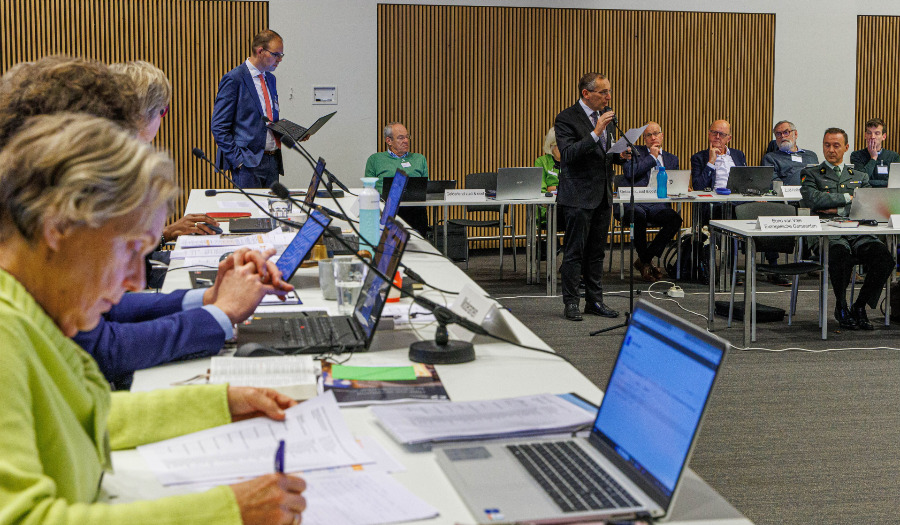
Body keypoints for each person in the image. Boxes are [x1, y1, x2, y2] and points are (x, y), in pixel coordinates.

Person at [0, 113, 306, 524]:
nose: (136, 280)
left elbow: (88, 414)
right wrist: (226, 511)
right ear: (58, 229)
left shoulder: (32, 309)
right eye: (129, 249)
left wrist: (221, 404)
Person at [0, 56, 293, 389]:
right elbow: (104, 348)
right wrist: (219, 313)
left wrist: (210, 299)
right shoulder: (11, 336)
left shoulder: (40, 298)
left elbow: (94, 406)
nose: (136, 280)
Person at [111, 60, 221, 287]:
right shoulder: (120, 170)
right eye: (163, 111)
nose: (162, 119)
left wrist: (168, 232)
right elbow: (125, 267)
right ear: (142, 115)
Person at [800, 127, 895, 330]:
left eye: (836, 145)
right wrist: (848, 198)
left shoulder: (859, 176)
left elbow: (868, 203)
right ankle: (841, 306)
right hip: (826, 232)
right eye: (827, 145)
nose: (831, 150)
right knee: (840, 256)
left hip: (856, 230)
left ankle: (860, 306)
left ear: (846, 147)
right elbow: (812, 200)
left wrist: (837, 208)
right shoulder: (811, 173)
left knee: (884, 258)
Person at [554, 72, 631, 322]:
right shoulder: (566, 118)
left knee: (597, 252)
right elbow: (568, 155)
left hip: (603, 195)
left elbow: (603, 154)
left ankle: (594, 301)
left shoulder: (604, 116)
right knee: (574, 252)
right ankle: (571, 302)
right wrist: (596, 132)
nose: (608, 97)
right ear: (586, 93)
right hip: (578, 196)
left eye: (609, 91)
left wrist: (620, 156)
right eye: (603, 92)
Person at [211, 29, 285, 188]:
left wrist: (291, 132)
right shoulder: (234, 79)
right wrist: (238, 161)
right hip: (247, 165)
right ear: (260, 51)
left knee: (272, 205)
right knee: (249, 206)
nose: (279, 59)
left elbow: (267, 119)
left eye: (281, 55)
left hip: (273, 160)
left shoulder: (270, 79)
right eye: (276, 54)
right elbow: (218, 126)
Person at [615, 121, 683, 282]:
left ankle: (644, 260)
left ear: (662, 136)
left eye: (656, 134)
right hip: (635, 203)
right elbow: (630, 173)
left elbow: (673, 183)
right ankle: (646, 263)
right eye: (648, 135)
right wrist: (652, 157)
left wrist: (681, 187)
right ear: (644, 138)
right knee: (638, 216)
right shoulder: (633, 152)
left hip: (658, 205)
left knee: (675, 219)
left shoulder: (672, 159)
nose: (653, 138)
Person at [364, 122, 430, 236]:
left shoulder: (419, 159)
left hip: (415, 210)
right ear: (388, 141)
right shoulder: (375, 159)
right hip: (387, 209)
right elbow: (368, 188)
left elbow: (426, 186)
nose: (406, 141)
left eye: (407, 137)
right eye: (401, 138)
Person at [690, 119, 748, 191]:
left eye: (722, 134)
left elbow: (746, 181)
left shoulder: (738, 155)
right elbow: (698, 187)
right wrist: (711, 162)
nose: (717, 137)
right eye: (714, 133)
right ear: (709, 134)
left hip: (736, 196)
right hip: (714, 197)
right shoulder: (698, 158)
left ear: (729, 138)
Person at [762, 120, 819, 186]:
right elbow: (774, 184)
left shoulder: (811, 155)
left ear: (795, 134)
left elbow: (818, 178)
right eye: (778, 134)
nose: (783, 136)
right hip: (789, 191)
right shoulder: (770, 158)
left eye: (786, 132)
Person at [849, 117, 900, 188]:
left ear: (884, 136)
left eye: (877, 133)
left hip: (887, 193)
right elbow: (860, 180)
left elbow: (895, 183)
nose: (872, 137)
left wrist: (870, 182)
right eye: (869, 133)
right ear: (865, 135)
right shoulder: (856, 155)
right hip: (864, 193)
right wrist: (873, 158)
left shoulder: (893, 156)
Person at [533, 127, 561, 225]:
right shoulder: (541, 162)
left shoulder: (571, 161)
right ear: (550, 146)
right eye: (558, 145)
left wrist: (553, 188)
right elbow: (541, 190)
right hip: (548, 208)